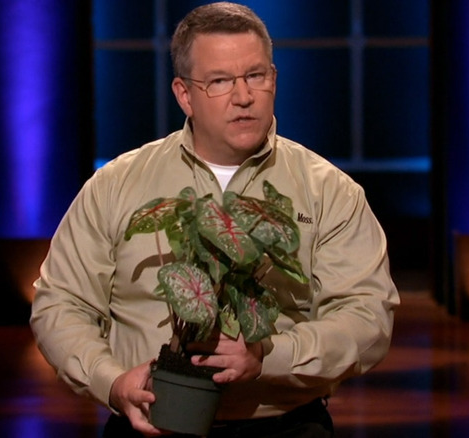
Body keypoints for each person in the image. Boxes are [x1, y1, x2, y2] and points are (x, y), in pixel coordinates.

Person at [30, 2, 400, 437]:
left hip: (284, 426)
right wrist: (111, 381)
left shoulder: (328, 191)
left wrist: (270, 355)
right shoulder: (118, 184)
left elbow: (367, 317)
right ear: (184, 94)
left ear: (274, 80)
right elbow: (61, 304)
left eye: (255, 76)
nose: (243, 96)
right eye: (220, 81)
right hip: (151, 425)